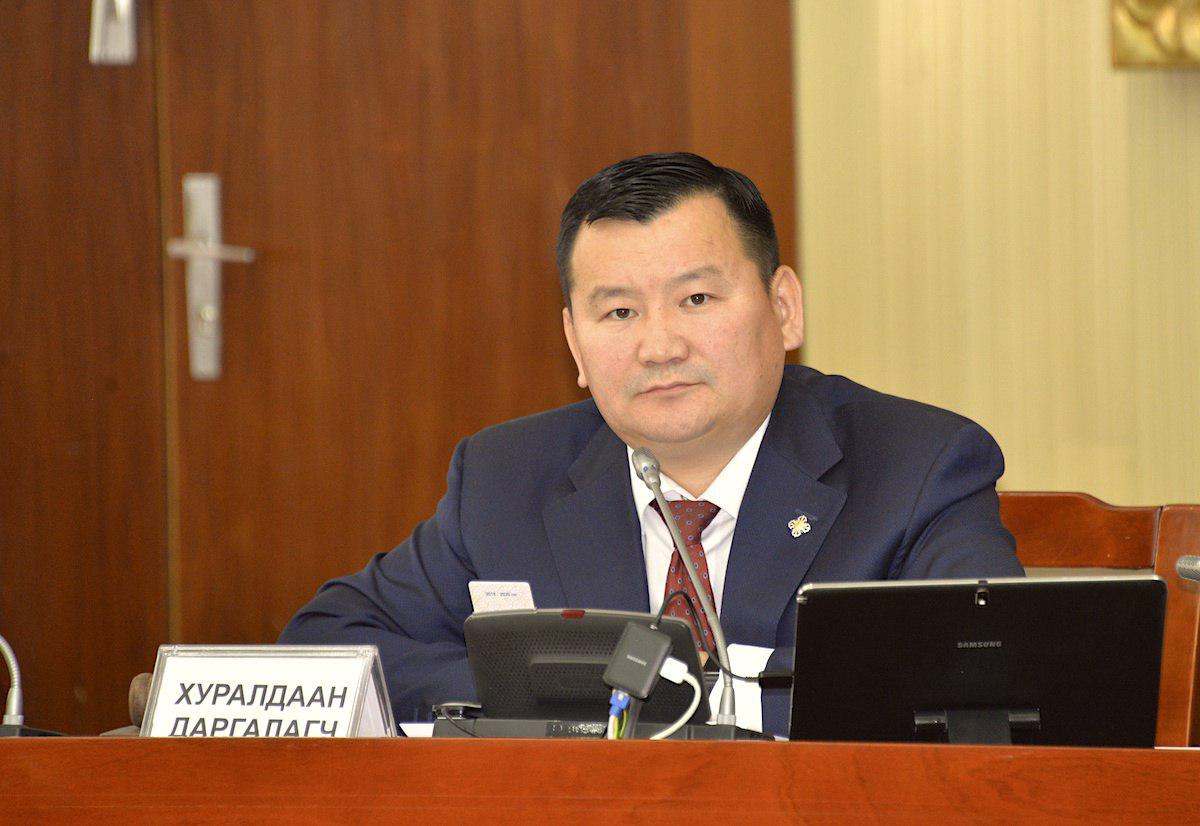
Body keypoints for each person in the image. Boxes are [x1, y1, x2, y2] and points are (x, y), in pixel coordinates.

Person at [279, 152, 1024, 735]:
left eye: (696, 298)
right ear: (574, 342)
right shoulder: (505, 477)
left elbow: (987, 688)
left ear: (784, 308)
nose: (659, 346)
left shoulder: (919, 466)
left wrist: (678, 706)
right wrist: (548, 698)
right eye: (619, 313)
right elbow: (329, 646)